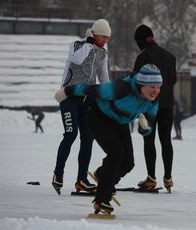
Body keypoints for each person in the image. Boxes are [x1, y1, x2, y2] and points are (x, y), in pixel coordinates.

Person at [54, 64, 162, 213]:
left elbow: (148, 125)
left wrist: (144, 128)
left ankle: (103, 176)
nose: (155, 91)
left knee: (128, 163)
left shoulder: (153, 100)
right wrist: (67, 91)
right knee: (116, 154)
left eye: (158, 87)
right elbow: (91, 89)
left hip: (120, 121)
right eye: (152, 87)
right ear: (141, 84)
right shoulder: (121, 89)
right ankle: (101, 200)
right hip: (98, 116)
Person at [52, 19, 111, 195]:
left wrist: (108, 96)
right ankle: (58, 173)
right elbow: (77, 60)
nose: (105, 41)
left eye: (107, 38)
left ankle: (81, 180)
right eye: (103, 37)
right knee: (71, 134)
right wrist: (89, 44)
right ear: (94, 34)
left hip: (87, 100)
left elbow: (104, 78)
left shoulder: (103, 53)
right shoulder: (76, 45)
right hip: (69, 97)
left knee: (88, 138)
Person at [132, 24, 177, 192]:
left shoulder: (142, 57)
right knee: (166, 140)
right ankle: (168, 178)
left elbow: (135, 83)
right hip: (167, 104)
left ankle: (151, 178)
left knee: (148, 140)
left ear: (140, 41)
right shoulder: (170, 57)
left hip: (148, 105)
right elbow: (172, 80)